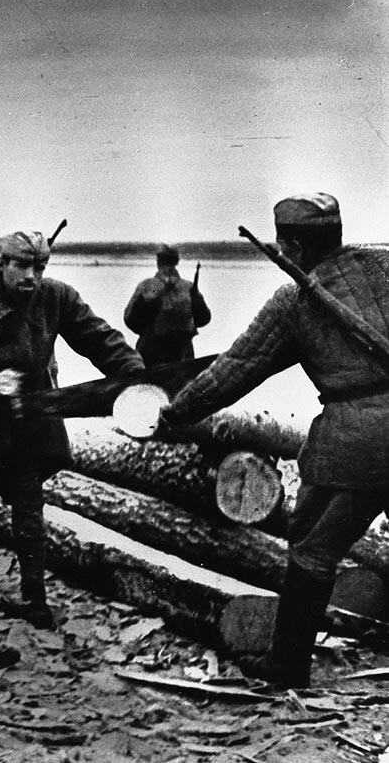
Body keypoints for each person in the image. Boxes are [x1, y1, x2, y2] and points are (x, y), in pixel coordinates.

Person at [158, 192, 389, 688]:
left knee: (311, 548)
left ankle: (286, 667)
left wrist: (173, 413)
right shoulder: (385, 267)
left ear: (291, 247)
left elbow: (232, 373)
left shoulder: (294, 303)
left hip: (356, 444)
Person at [0, 230, 144, 629]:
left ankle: (34, 597)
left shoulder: (57, 298)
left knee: (28, 502)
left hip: (28, 414)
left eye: (39, 267)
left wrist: (140, 380)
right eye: (22, 266)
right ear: (1, 264)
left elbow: (100, 340)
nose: (31, 277)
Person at [123, 243, 212, 365]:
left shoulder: (146, 286)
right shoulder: (188, 287)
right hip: (183, 354)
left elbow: (130, 320)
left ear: (158, 261)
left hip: (150, 353)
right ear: (177, 261)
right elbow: (204, 319)